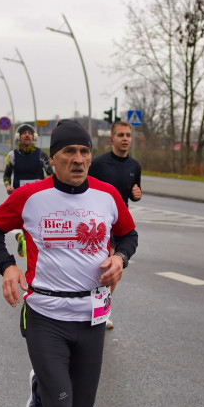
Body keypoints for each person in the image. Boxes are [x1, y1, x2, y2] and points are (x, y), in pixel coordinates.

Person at [0, 119, 138, 407]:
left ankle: (39, 386)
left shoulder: (106, 196)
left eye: (85, 152)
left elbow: (129, 234)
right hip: (45, 315)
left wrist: (120, 258)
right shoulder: (32, 196)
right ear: (54, 159)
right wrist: (8, 267)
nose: (80, 159)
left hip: (91, 316)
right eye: (70, 152)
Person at [87, 120, 143, 329]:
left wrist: (137, 195)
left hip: (122, 223)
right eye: (121, 135)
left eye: (128, 135)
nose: (125, 139)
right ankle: (97, 312)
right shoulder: (99, 164)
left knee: (115, 272)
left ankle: (101, 311)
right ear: (112, 139)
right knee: (104, 268)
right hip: (102, 223)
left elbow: (133, 191)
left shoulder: (134, 166)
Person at [3, 123, 53, 256]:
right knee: (25, 223)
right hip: (19, 195)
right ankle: (24, 240)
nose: (27, 135)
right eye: (24, 133)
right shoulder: (12, 155)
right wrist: (8, 186)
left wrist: (43, 181)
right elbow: (6, 175)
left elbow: (51, 174)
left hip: (39, 195)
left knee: (36, 223)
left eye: (29, 133)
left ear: (33, 137)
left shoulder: (41, 155)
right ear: (18, 137)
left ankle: (24, 240)